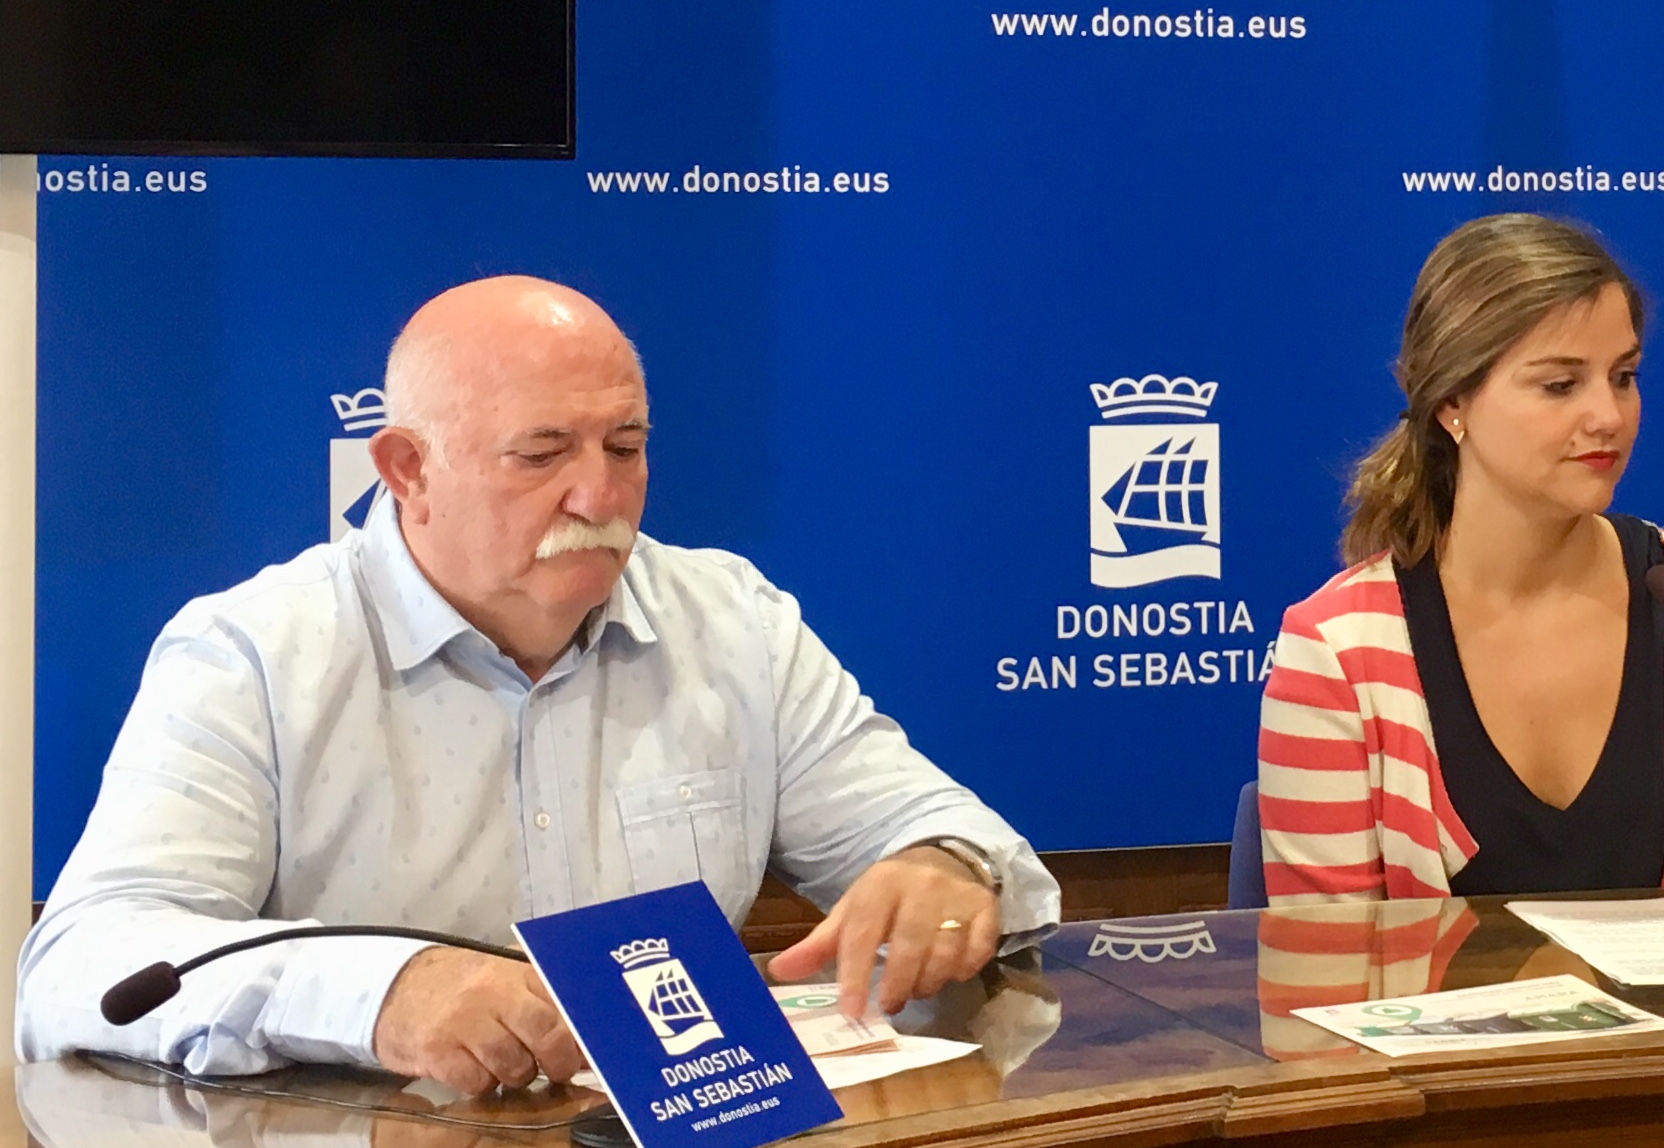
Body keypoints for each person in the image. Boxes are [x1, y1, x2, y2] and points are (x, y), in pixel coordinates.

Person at [17, 277, 1057, 1092]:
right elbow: (82, 966)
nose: (599, 494)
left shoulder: (732, 619)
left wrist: (943, 864)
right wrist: (383, 993)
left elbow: (946, 836)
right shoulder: (252, 653)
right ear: (407, 468)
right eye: (542, 453)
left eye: (625, 446)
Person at [1257, 215, 1664, 899]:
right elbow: (1325, 956)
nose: (1609, 415)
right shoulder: (1336, 652)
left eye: (1623, 376)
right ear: (1452, 400)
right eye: (1560, 385)